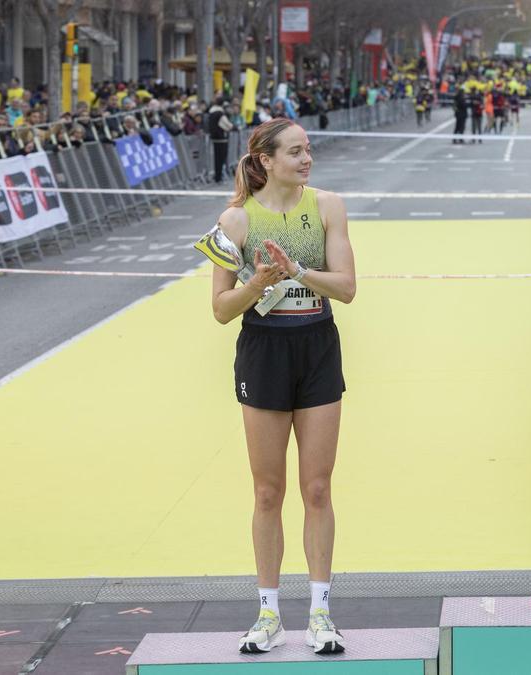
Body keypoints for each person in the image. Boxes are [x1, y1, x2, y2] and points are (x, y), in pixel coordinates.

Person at [209, 118, 357, 656]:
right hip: (263, 350)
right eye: (295, 151)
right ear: (266, 160)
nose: (306, 159)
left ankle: (321, 612)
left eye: (309, 150)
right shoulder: (235, 220)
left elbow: (347, 287)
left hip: (317, 346)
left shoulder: (327, 207)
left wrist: (296, 270)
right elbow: (222, 310)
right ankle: (268, 613)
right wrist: (256, 283)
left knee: (317, 488)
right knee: (268, 491)